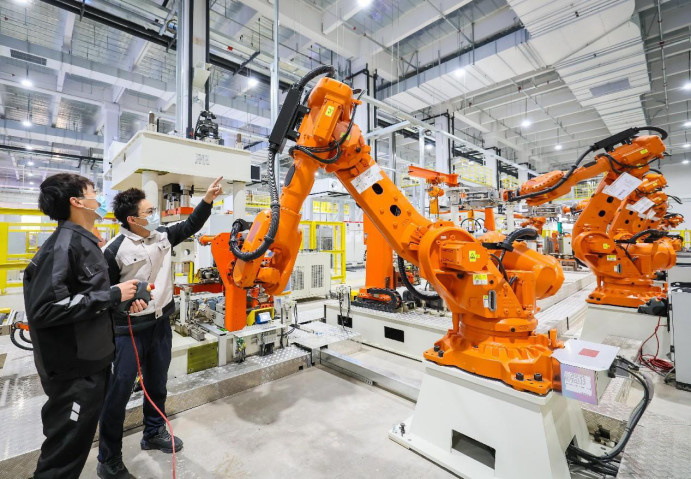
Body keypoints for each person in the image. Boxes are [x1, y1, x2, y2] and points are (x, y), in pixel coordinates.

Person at [97, 177, 224, 479]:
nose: (155, 215)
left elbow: (190, 225)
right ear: (132, 219)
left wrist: (207, 200)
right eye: (149, 211)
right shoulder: (114, 250)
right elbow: (103, 296)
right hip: (127, 331)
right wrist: (122, 304)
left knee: (157, 383)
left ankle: (153, 431)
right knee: (118, 392)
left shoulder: (163, 235)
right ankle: (108, 458)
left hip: (160, 325)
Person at [23, 173, 144, 479]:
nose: (99, 198)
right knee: (64, 454)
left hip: (94, 362)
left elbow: (85, 299)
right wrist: (112, 294)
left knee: (76, 446)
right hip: (74, 372)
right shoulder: (62, 247)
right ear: (76, 202)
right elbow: (45, 309)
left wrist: (120, 302)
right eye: (94, 192)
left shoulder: (85, 243)